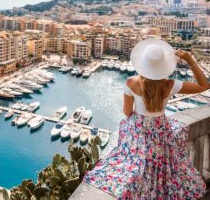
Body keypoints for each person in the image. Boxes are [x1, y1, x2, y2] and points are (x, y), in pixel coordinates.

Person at [84, 38, 209, 199]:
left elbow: (127, 112)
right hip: (161, 131)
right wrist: (190, 60)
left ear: (142, 63)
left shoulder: (131, 83)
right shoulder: (170, 85)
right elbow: (204, 85)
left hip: (139, 131)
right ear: (164, 65)